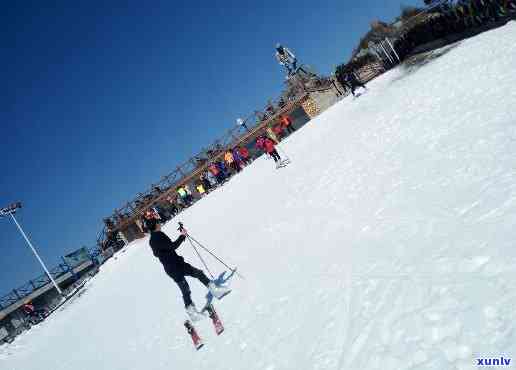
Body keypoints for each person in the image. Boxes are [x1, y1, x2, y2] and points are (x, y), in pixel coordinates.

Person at [147, 219, 230, 320]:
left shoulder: (152, 240)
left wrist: (181, 237)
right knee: (198, 273)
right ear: (155, 225)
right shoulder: (159, 235)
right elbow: (173, 246)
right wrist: (182, 236)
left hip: (170, 268)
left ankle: (192, 313)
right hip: (177, 265)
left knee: (185, 289)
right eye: (158, 222)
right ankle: (215, 291)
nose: (160, 224)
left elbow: (160, 252)